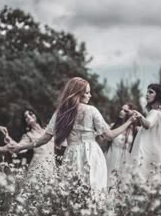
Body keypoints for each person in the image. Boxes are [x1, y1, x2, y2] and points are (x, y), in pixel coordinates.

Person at [8, 77, 136, 193]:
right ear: (78, 93)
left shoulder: (61, 112)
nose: (90, 95)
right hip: (91, 153)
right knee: (94, 192)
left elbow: (44, 139)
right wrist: (129, 122)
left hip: (71, 154)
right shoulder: (91, 110)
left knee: (72, 193)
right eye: (87, 92)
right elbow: (109, 135)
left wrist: (21, 147)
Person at [130, 84, 161, 180]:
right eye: (147, 91)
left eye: (151, 92)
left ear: (158, 95)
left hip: (154, 159)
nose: (147, 94)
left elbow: (148, 125)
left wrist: (139, 116)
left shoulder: (154, 112)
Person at [5, 108, 55, 177]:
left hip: (52, 164)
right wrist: (10, 140)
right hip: (38, 166)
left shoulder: (47, 130)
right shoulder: (28, 135)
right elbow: (20, 147)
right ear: (25, 122)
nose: (28, 116)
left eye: (30, 114)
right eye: (26, 117)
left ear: (36, 115)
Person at [105, 102, 138, 188]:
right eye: (121, 109)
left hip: (126, 159)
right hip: (112, 156)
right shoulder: (113, 126)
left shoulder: (135, 130)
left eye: (125, 111)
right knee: (109, 182)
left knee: (122, 185)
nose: (121, 111)